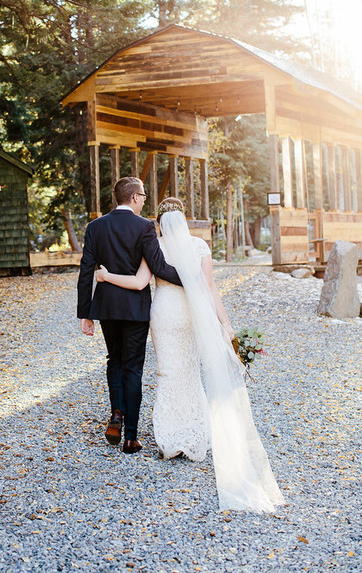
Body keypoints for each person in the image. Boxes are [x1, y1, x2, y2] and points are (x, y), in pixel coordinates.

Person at [95, 197, 284, 513]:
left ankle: (170, 440)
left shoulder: (153, 245)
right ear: (183, 219)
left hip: (165, 314)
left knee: (167, 372)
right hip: (190, 314)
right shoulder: (198, 247)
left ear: (159, 221)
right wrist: (226, 324)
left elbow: (141, 282)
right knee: (190, 371)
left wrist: (105, 276)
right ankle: (196, 438)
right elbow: (210, 289)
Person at [77, 177, 182, 453]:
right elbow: (158, 266)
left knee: (115, 360)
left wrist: (85, 313)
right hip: (135, 308)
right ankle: (131, 437)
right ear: (134, 198)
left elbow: (86, 271)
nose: (145, 201)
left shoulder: (95, 227)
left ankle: (116, 414)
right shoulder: (144, 227)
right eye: (144, 196)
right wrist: (190, 280)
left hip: (107, 308)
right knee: (133, 367)